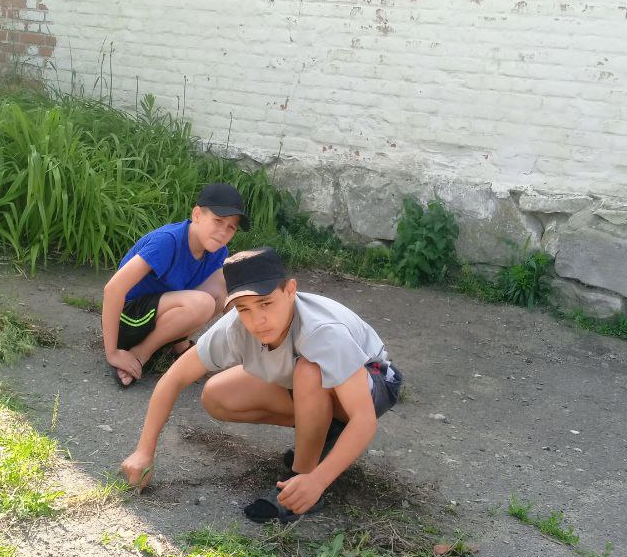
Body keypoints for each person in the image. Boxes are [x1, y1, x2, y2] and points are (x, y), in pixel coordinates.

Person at [120, 246, 403, 521]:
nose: (257, 320)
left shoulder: (322, 331)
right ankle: (325, 431)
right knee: (217, 395)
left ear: (290, 290)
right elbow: (175, 378)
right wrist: (144, 451)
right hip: (308, 384)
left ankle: (302, 479)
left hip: (373, 380)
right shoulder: (235, 326)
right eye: (244, 308)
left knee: (309, 371)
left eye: (265, 303)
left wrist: (318, 480)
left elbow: (364, 419)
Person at [102, 182, 249, 388]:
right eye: (218, 221)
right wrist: (111, 353)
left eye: (231, 227)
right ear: (197, 215)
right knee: (202, 303)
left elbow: (230, 305)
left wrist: (248, 354)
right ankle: (139, 354)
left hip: (156, 313)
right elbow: (113, 289)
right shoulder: (168, 241)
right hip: (126, 320)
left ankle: (178, 344)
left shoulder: (218, 251)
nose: (223, 232)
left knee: (225, 281)